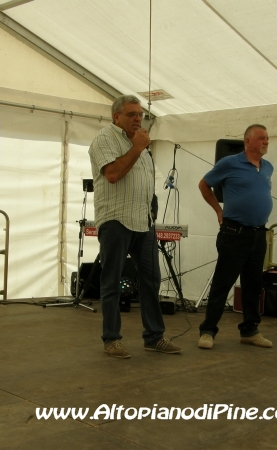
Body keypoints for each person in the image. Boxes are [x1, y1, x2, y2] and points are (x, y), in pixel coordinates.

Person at [88, 95, 182, 359]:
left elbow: (145, 184)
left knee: (151, 280)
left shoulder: (142, 147)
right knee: (112, 281)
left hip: (144, 222)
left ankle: (154, 337)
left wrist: (152, 211)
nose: (138, 119)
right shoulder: (105, 139)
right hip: (116, 219)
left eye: (140, 114)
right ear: (116, 116)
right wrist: (138, 148)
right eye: (131, 114)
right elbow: (114, 175)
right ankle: (112, 339)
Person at [197, 124, 274, 350]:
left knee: (253, 285)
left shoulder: (268, 167)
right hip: (234, 233)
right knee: (223, 283)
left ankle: (250, 330)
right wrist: (218, 210)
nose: (266, 141)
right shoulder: (229, 163)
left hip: (258, 234)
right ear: (248, 141)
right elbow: (204, 185)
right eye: (261, 138)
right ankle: (208, 331)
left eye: (267, 138)